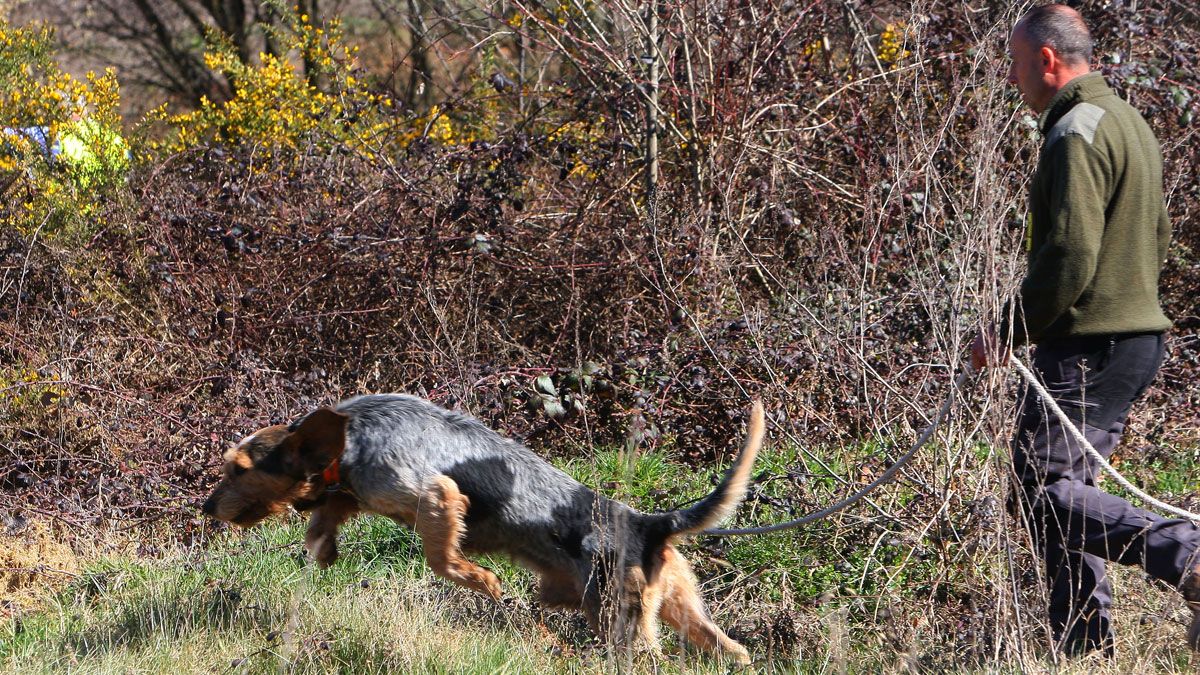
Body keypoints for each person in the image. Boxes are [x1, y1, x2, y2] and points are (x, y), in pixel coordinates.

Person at [971, 4, 1200, 657]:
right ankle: (1085, 647)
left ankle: (1186, 552)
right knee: (1069, 490)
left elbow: (1068, 254)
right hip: (1131, 341)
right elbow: (1156, 237)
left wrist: (1008, 329)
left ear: (1047, 60)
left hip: (1089, 345)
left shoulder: (1074, 132)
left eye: (1016, 66)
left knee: (1039, 488)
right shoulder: (1129, 123)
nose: (1014, 80)